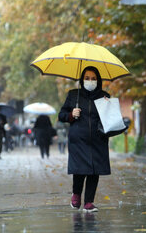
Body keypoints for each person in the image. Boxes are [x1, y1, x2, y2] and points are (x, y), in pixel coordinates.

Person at [58, 66, 110, 213]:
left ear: (98, 80)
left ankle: (89, 202)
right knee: (80, 169)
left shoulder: (104, 96)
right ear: (82, 80)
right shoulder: (73, 95)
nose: (90, 81)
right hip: (78, 139)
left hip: (98, 139)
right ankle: (76, 194)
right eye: (87, 78)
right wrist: (71, 114)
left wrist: (109, 106)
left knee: (94, 170)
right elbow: (61, 115)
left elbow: (110, 120)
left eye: (93, 78)